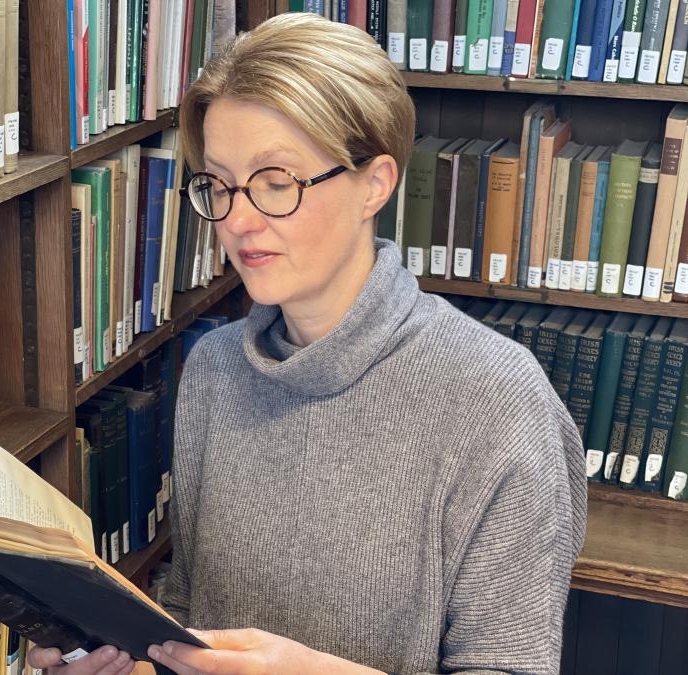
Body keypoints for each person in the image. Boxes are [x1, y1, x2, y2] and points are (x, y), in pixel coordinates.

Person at [29, 12, 587, 675]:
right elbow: (191, 611)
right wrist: (134, 661)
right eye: (219, 184)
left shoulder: (497, 399)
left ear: (374, 184)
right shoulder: (215, 368)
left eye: (276, 182)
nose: (237, 220)